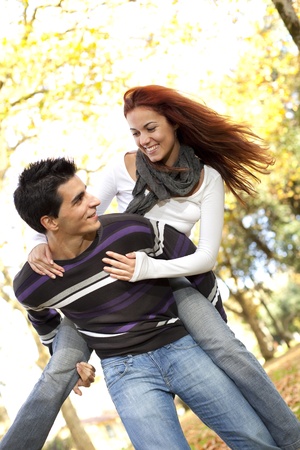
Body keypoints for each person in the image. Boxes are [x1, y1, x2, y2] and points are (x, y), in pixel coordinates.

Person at [26, 85, 300, 450]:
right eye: (135, 133)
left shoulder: (208, 180)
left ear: (175, 124)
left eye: (151, 129)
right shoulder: (122, 169)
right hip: (108, 288)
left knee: (229, 350)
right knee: (58, 370)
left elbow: (205, 257)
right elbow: (72, 218)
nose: (144, 140)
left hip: (173, 280)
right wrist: (34, 246)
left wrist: (147, 269)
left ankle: (291, 440)